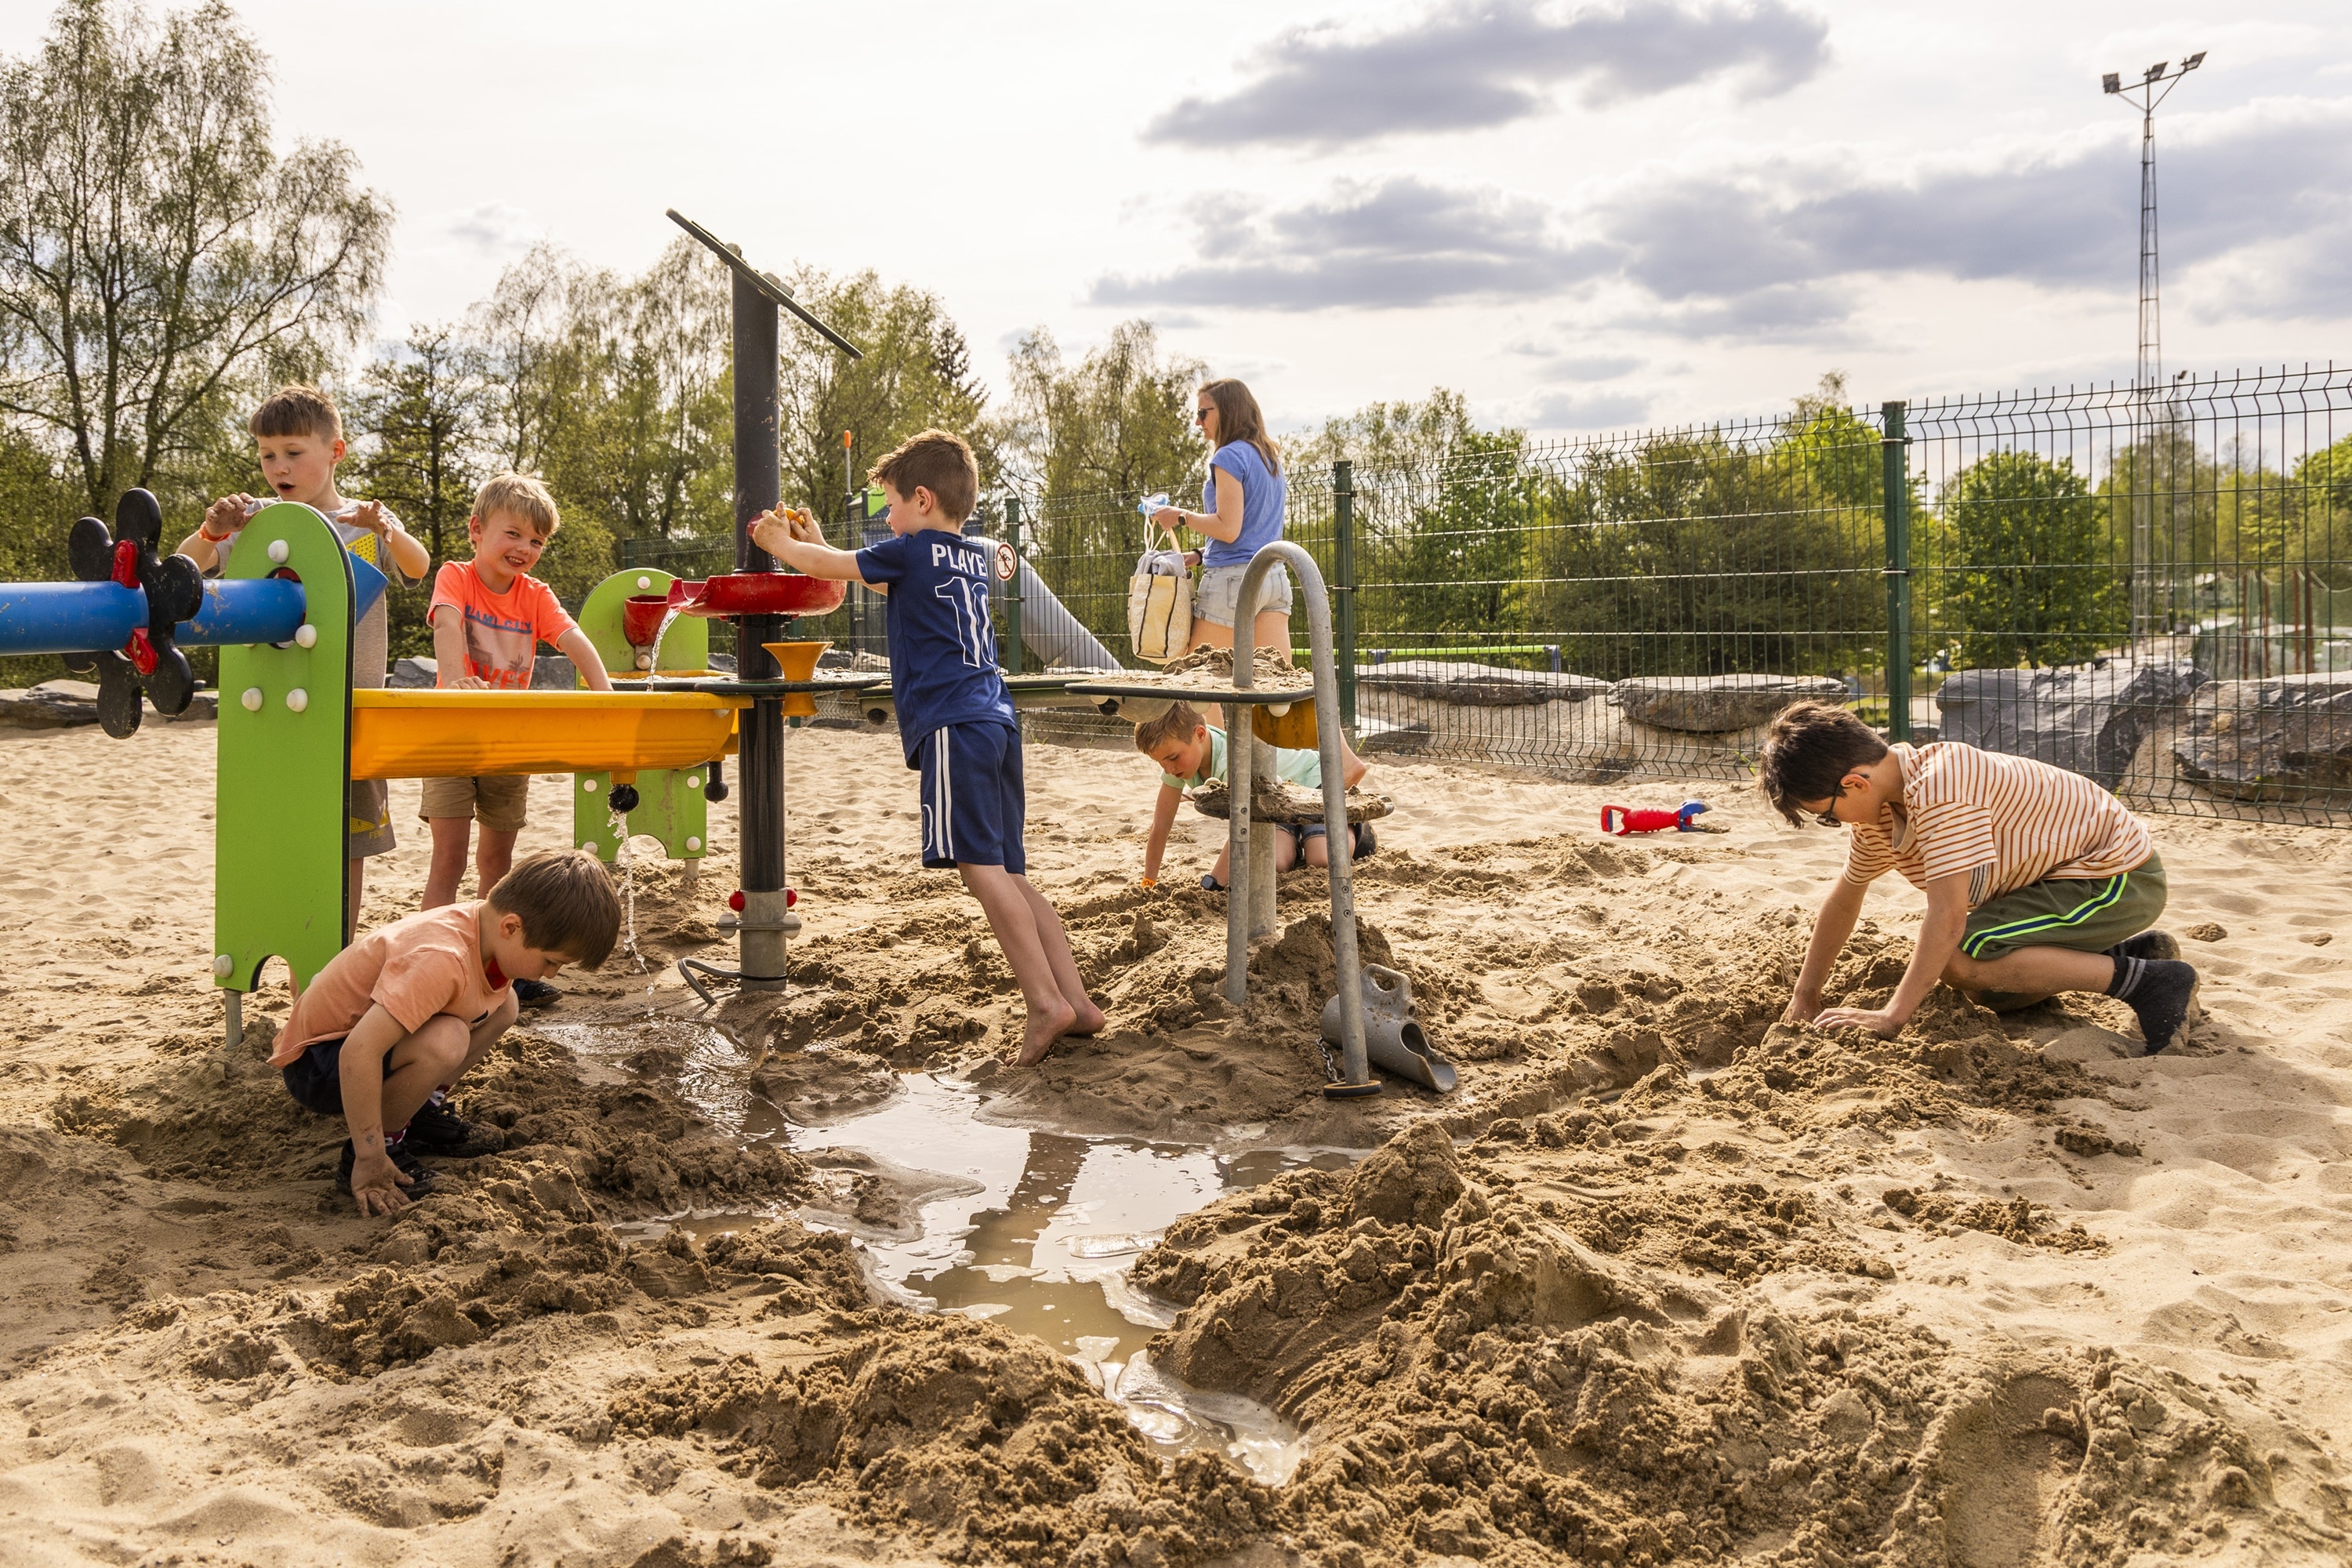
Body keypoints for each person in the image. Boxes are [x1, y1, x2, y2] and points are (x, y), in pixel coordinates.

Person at [749, 429, 1105, 1067]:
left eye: (890, 506)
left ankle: (1044, 1003)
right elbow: (875, 579)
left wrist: (779, 543)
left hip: (951, 724)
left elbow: (830, 570)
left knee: (979, 871)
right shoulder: (965, 557)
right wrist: (817, 543)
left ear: (921, 499)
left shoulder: (909, 551)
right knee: (1012, 875)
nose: (887, 520)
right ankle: (1078, 1002)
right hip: (996, 722)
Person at [1760, 701, 2199, 1054]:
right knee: (1986, 992)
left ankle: (2154, 982)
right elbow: (1844, 900)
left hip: (2117, 878)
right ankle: (2125, 953)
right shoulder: (1881, 814)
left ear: (1856, 784)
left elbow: (1948, 916)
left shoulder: (1941, 788)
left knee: (1958, 958)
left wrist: (1892, 1017)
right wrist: (1805, 995)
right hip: (2057, 886)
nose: (1836, 824)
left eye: (1827, 815)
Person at [177, 384, 429, 942]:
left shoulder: (363, 521)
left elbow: (417, 567)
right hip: (273, 711)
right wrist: (211, 532)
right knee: (279, 835)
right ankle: (285, 938)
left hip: (349, 712)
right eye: (267, 455)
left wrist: (387, 529)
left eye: (293, 452)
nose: (279, 467)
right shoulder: (257, 521)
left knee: (347, 845)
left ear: (335, 452)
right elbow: (182, 572)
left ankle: (331, 952)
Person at [267, 850, 620, 1216]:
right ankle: (379, 1147)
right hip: (319, 1064)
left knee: (507, 1004)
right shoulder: (441, 957)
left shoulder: (484, 928)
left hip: (356, 1050)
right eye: (551, 961)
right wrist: (370, 1155)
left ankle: (418, 1112)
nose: (551, 975)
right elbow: (358, 1052)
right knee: (447, 1039)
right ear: (511, 927)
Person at [421, 474, 615, 1008]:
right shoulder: (458, 577)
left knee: (498, 863)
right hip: (451, 736)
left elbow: (573, 638)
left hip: (507, 742)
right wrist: (455, 679)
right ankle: (429, 961)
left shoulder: (535, 595)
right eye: (513, 534)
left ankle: (498, 968)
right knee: (448, 858)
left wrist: (605, 694)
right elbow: (446, 625)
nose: (525, 548)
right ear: (477, 530)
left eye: (536, 541)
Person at [1134, 702, 1374, 891]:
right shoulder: (1179, 760)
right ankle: (1301, 838)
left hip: (1312, 785)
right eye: (1160, 762)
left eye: (1172, 758)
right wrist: (1149, 881)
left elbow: (1242, 826)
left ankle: (1357, 830)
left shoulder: (1232, 763)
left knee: (1322, 860)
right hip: (1274, 804)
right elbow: (1161, 824)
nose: (1168, 769)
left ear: (1199, 734)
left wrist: (1214, 882)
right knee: (1275, 865)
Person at [1151, 378, 1290, 672]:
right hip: (1273, 578)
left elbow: (1228, 529)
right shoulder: (1270, 458)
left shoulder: (1228, 457)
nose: (1197, 421)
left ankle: (1207, 711)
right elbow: (1253, 531)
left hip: (1233, 583)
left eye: (1203, 413)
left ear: (1227, 411)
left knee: (1196, 677)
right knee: (1273, 681)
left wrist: (1179, 516)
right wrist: (1201, 554)